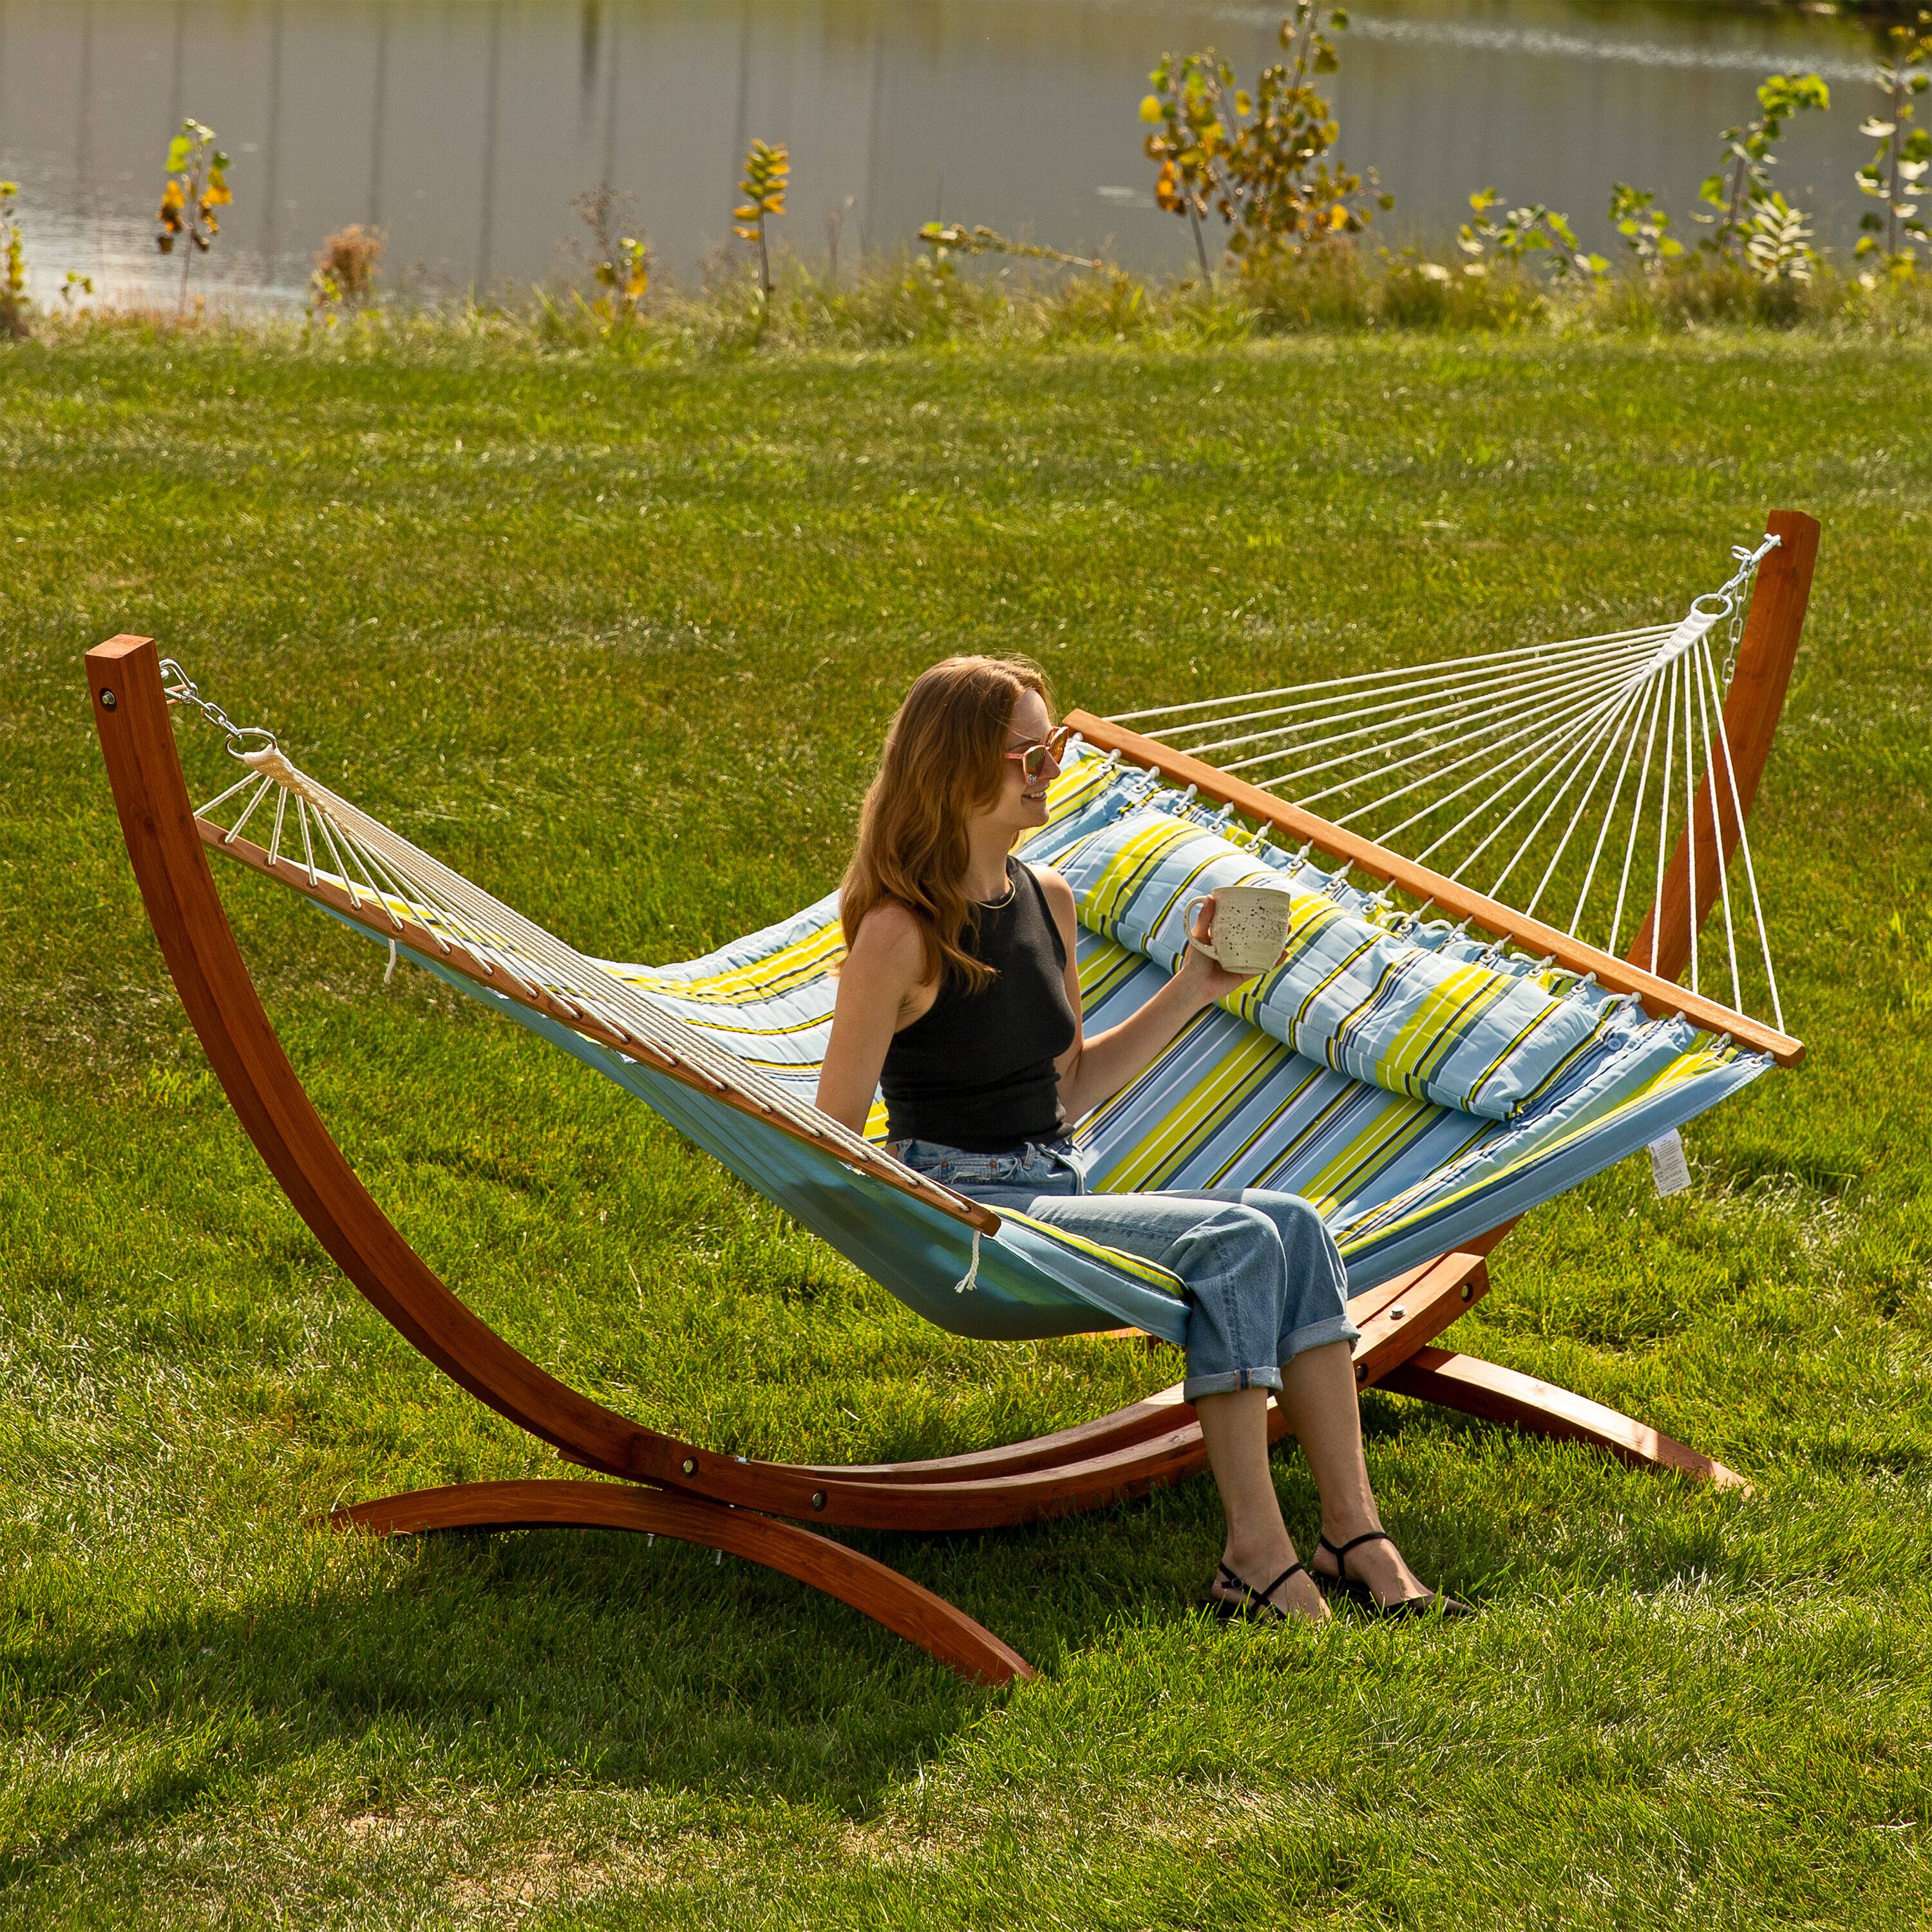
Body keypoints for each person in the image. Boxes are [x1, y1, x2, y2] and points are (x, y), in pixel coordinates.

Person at [817, 654, 1470, 1624]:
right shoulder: (901, 933)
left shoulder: (1047, 899)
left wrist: (1197, 982)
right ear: (954, 767)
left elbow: (1069, 1086)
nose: (1048, 770)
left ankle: (1353, 1531)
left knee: (1295, 1222)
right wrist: (922, 1216)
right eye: (1025, 756)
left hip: (1056, 1183)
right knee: (1239, 1240)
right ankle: (1254, 1553)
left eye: (1054, 749)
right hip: (972, 1212)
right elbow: (830, 1130)